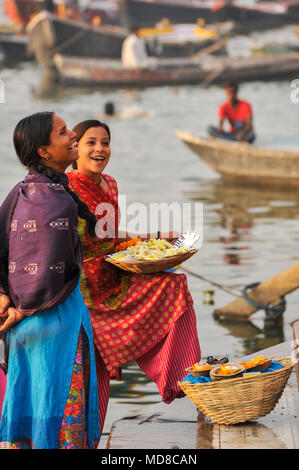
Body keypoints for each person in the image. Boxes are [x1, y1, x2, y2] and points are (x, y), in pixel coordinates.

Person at [67, 120, 201, 432]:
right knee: (90, 369)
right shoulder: (67, 188)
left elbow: (111, 234)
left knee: (174, 284)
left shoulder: (109, 184)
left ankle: (179, 379)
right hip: (84, 285)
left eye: (105, 142)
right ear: (75, 150)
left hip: (115, 267)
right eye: (91, 142)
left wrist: (156, 238)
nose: (100, 149)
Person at [0, 112, 100, 449]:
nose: (73, 134)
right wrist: (22, 308)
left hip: (23, 328)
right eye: (62, 132)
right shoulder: (55, 200)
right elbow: (48, 268)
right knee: (60, 420)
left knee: (30, 413)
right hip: (55, 325)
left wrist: (8, 302)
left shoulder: (20, 192)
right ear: (45, 151)